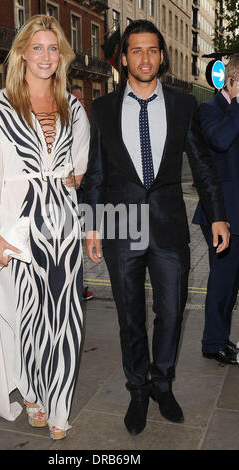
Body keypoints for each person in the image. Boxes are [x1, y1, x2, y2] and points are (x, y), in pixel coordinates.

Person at [84, 20, 229, 436]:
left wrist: (218, 215)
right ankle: (137, 388)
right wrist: (92, 227)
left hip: (168, 225)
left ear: (161, 56)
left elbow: (202, 165)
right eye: (136, 50)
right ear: (124, 57)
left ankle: (163, 384)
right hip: (120, 222)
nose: (145, 58)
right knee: (130, 317)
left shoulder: (184, 105)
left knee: (170, 312)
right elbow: (95, 174)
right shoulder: (104, 109)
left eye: (152, 50)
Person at [0, 14, 89, 440]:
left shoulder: (73, 107)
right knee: (32, 318)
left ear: (62, 56)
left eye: (53, 47)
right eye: (36, 47)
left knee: (67, 317)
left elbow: (79, 168)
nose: (45, 55)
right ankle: (35, 394)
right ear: (21, 54)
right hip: (21, 227)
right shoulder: (0, 105)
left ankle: (59, 409)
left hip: (63, 225)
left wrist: (64, 178)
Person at [193, 54, 239, 365]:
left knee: (232, 283)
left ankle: (221, 337)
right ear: (231, 80)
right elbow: (221, 141)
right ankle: (213, 343)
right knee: (223, 282)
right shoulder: (210, 109)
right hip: (221, 213)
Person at [71, 85, 94, 301]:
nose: (82, 104)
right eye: (78, 100)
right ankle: (75, 288)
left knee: (77, 245)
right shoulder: (68, 123)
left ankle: (78, 286)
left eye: (83, 100)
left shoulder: (83, 122)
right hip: (72, 194)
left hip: (83, 193)